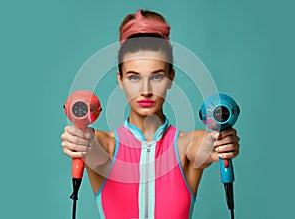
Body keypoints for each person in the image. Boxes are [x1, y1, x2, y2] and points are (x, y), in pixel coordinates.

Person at [61, 9, 240, 219]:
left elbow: (206, 146)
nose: (145, 90)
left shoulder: (187, 145)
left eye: (156, 77)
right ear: (120, 79)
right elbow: (95, 153)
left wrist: (220, 141)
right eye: (134, 77)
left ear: (171, 77)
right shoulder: (104, 144)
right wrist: (82, 142)